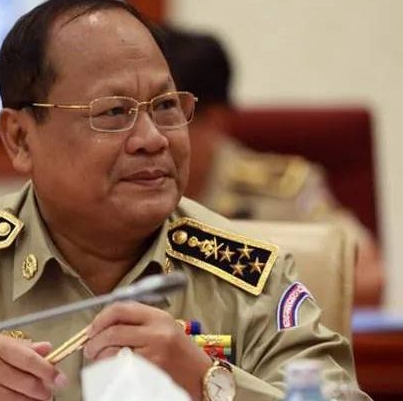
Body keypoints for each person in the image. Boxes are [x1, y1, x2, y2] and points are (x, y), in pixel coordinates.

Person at [0, 0, 369, 401]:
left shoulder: (247, 276)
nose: (152, 139)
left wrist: (209, 382)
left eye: (166, 106)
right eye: (112, 113)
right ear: (20, 138)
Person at [162, 27, 384, 307]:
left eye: (167, 112)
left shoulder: (282, 191)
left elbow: (367, 278)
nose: (149, 134)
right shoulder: (127, 186)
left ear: (215, 120)